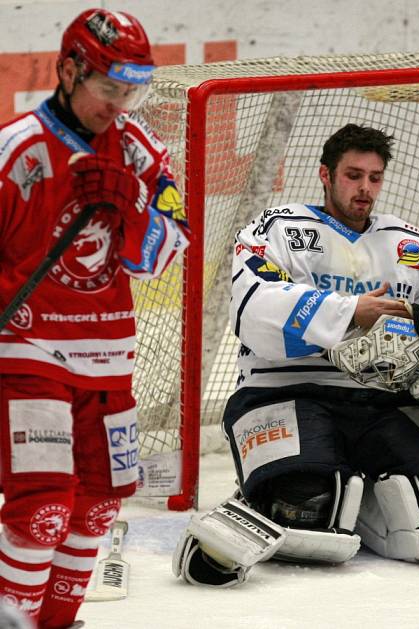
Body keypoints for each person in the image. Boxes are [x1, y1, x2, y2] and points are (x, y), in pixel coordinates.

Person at [172, 123, 419, 587]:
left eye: (375, 178)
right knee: (304, 500)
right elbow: (252, 310)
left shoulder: (413, 248)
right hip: (285, 389)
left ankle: (360, 494)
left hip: (382, 401)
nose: (365, 188)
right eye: (353, 175)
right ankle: (272, 492)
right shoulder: (278, 229)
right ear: (326, 174)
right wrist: (350, 313)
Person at [0, 9, 188, 628]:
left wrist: (133, 204)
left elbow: (164, 253)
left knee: (100, 507)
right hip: (27, 351)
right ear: (69, 69)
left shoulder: (143, 153)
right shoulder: (16, 149)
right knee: (42, 509)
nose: (119, 103)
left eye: (130, 89)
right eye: (109, 87)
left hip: (109, 357)